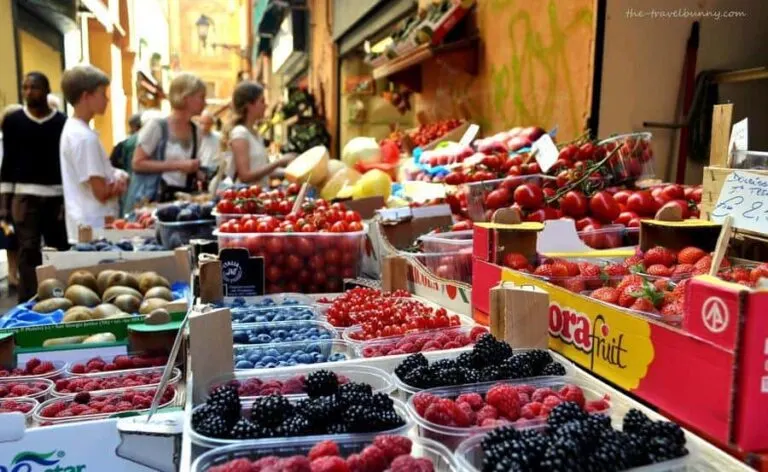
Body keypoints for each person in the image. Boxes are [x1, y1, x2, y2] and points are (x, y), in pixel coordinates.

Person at [0, 72, 69, 302]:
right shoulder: (14, 121)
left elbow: (66, 165)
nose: (30, 92)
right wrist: (4, 206)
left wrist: (67, 202)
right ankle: (28, 301)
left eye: (35, 87)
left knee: (56, 249)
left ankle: (59, 296)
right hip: (24, 197)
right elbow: (8, 163)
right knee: (27, 250)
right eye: (26, 87)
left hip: (56, 197)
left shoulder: (61, 123)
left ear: (47, 90)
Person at [59, 65, 127, 245]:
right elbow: (101, 192)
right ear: (85, 96)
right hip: (95, 227)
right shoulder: (84, 138)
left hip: (85, 225)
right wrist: (119, 183)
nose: (106, 99)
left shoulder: (74, 130)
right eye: (102, 93)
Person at [127, 73, 205, 207]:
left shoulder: (196, 130)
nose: (205, 102)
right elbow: (137, 163)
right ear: (186, 98)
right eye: (201, 97)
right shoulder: (156, 126)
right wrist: (179, 165)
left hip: (181, 201)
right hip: (153, 201)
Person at [224, 81, 293, 185]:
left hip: (257, 195)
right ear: (249, 105)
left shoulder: (255, 134)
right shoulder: (240, 133)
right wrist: (279, 162)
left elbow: (263, 171)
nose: (266, 105)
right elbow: (245, 176)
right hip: (244, 197)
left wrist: (291, 172)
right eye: (262, 101)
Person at [0, 104, 22, 295]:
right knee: (9, 236)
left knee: (17, 237)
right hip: (6, 196)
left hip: (20, 194)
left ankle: (16, 272)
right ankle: (12, 272)